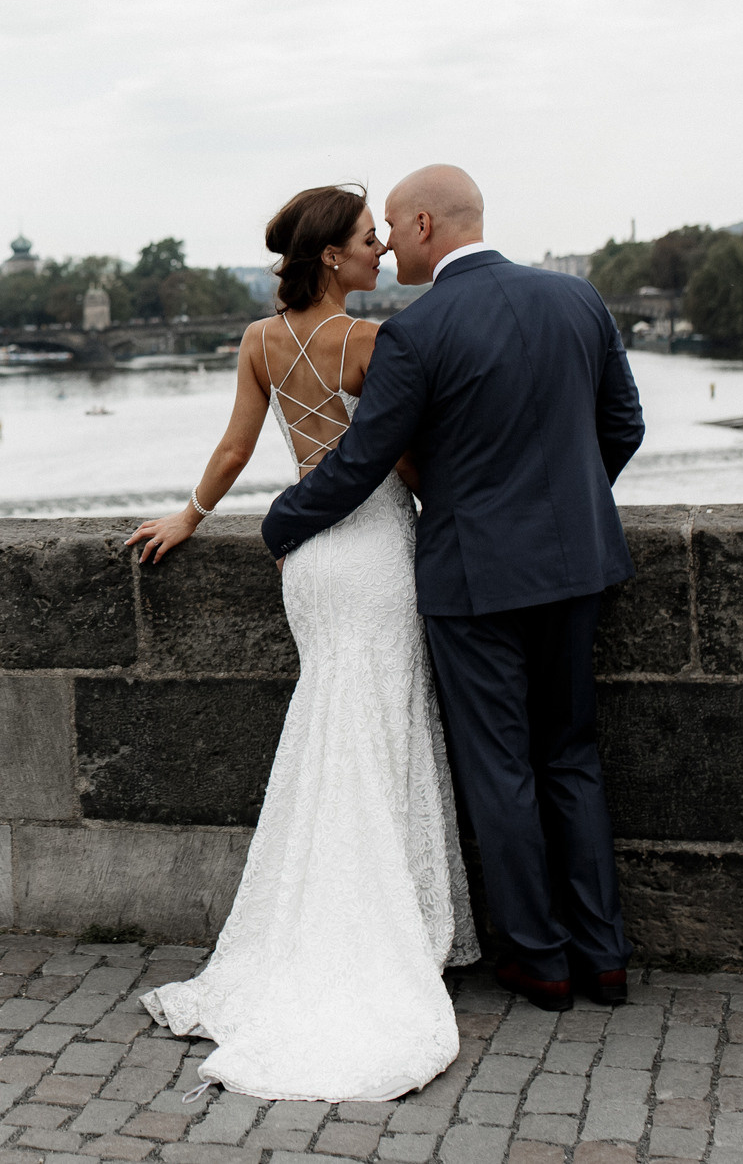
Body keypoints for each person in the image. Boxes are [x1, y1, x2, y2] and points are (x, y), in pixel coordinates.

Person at [264, 165, 645, 1013]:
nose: (390, 241)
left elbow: (362, 463)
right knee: (572, 756)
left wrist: (280, 523)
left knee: (502, 767)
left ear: (429, 224)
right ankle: (605, 958)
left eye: (395, 226)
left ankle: (540, 962)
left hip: (474, 579)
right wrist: (571, 514)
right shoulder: (577, 299)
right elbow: (623, 425)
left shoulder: (418, 329)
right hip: (577, 567)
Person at [126, 182, 474, 1103]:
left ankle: (320, 921)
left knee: (332, 718)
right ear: (333, 257)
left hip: (312, 556)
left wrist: (190, 514)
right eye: (367, 239)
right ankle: (387, 925)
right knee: (384, 720)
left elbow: (240, 450)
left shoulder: (259, 341)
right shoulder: (372, 341)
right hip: (374, 547)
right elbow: (403, 461)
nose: (380, 249)